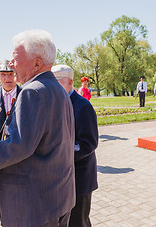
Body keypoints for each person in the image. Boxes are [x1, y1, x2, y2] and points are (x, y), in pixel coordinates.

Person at [0, 29, 75, 227]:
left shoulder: (33, 92)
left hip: (33, 205)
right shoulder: (57, 88)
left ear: (37, 63)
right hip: (57, 197)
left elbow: (18, 146)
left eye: (15, 58)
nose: (11, 65)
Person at [52, 65, 98, 227]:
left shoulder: (83, 106)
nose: (54, 86)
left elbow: (88, 144)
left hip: (79, 178)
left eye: (58, 81)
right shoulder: (55, 103)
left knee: (79, 222)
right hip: (61, 178)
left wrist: (57, 153)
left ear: (70, 82)